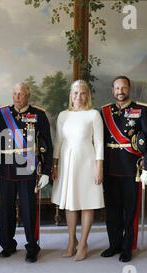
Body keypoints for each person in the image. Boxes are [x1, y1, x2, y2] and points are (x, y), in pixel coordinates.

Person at [0, 83, 53, 263]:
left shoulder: (39, 114)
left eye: (21, 94)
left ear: (28, 95)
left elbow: (47, 143)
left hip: (28, 169)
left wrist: (47, 171)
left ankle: (32, 247)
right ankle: (7, 245)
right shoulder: (3, 113)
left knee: (28, 211)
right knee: (6, 210)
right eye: (15, 93)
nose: (18, 97)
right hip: (7, 169)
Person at [100, 76, 147, 262]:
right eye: (117, 88)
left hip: (132, 170)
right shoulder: (104, 112)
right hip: (110, 169)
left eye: (123, 87)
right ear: (112, 90)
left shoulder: (141, 110)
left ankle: (127, 247)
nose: (120, 91)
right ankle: (114, 244)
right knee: (112, 210)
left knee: (130, 211)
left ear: (129, 89)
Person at [51, 80, 104, 261]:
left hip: (87, 162)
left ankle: (83, 243)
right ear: (71, 95)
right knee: (69, 202)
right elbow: (58, 142)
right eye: (75, 93)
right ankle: (71, 240)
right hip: (67, 162)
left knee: (87, 202)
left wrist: (99, 167)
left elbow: (99, 143)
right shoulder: (63, 115)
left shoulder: (94, 115)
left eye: (82, 93)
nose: (79, 97)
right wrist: (55, 165)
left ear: (87, 95)